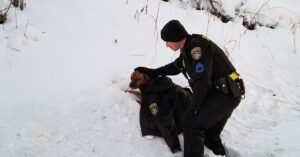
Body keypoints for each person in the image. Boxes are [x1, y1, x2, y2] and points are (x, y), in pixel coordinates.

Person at [135, 20, 245, 157]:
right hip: (224, 94)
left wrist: (193, 108)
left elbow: (202, 82)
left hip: (225, 95)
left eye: (167, 41)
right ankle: (218, 152)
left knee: (192, 124)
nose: (166, 45)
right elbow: (174, 67)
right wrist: (150, 71)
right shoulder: (188, 49)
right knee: (209, 135)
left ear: (174, 38)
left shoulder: (197, 48)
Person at [127, 70, 192, 153]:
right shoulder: (154, 81)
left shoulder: (154, 95)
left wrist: (174, 145)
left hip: (181, 115)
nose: (132, 82)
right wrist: (132, 92)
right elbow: (145, 94)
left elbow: (162, 117)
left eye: (137, 80)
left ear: (146, 77)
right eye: (132, 79)